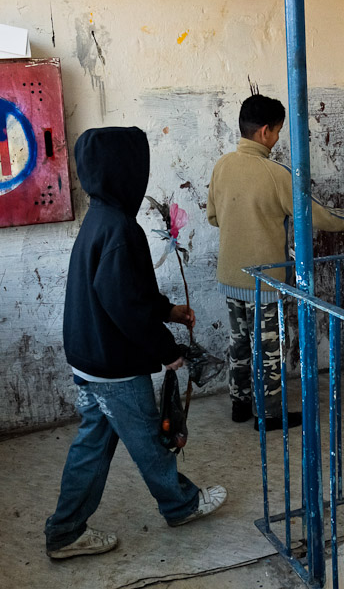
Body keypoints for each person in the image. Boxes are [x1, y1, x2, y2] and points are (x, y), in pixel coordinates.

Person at [45, 127, 227, 560]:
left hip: (90, 354)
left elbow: (126, 291)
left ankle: (66, 531)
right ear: (126, 171)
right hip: (113, 363)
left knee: (93, 442)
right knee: (150, 438)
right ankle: (181, 504)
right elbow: (125, 305)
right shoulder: (121, 228)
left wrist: (167, 311)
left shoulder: (100, 218)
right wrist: (169, 352)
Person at [207, 94, 344, 431]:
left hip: (230, 275)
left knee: (239, 343)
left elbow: (214, 217)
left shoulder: (222, 165)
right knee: (269, 350)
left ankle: (240, 404)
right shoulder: (275, 173)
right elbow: (318, 215)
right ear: (266, 132)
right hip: (266, 282)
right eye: (278, 131)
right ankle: (268, 415)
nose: (277, 138)